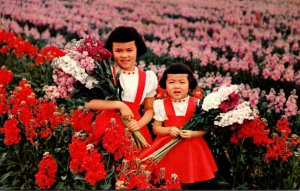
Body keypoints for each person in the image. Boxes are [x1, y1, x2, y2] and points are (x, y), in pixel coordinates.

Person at [139, 62, 218, 188]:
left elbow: (205, 129)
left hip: (192, 147)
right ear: (165, 84)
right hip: (168, 147)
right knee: (166, 177)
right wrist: (169, 130)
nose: (176, 86)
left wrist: (193, 133)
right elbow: (156, 128)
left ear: (190, 84)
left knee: (188, 175)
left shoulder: (197, 104)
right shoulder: (161, 104)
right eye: (171, 82)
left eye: (182, 82)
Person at [85, 26, 158, 145]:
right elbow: (89, 103)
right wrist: (119, 105)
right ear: (111, 51)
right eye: (118, 51)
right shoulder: (106, 73)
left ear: (137, 50)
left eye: (129, 50)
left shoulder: (147, 78)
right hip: (107, 126)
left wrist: (139, 124)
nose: (124, 55)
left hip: (134, 126)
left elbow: (150, 109)